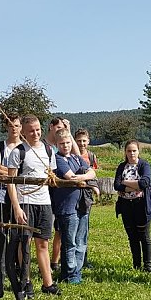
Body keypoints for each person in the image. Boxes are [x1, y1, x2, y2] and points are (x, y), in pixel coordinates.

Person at [7, 114, 61, 296]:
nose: (35, 133)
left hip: (44, 203)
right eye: (31, 131)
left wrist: (52, 179)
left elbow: (51, 174)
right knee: (25, 243)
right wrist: (16, 207)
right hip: (26, 202)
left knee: (43, 243)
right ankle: (26, 281)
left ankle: (48, 283)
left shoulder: (48, 150)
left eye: (38, 129)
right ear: (23, 131)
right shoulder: (18, 152)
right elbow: (10, 182)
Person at [51, 130, 96, 284]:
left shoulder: (77, 158)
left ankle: (77, 273)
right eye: (62, 143)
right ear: (57, 144)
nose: (66, 146)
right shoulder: (57, 159)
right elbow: (69, 176)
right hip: (67, 206)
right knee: (69, 242)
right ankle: (69, 274)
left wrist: (82, 177)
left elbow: (92, 173)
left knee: (81, 241)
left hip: (82, 205)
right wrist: (83, 178)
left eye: (68, 142)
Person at [113, 140, 151, 272]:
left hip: (141, 205)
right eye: (129, 151)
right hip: (126, 205)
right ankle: (136, 264)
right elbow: (116, 185)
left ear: (138, 151)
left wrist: (125, 182)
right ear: (125, 152)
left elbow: (145, 183)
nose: (131, 153)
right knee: (132, 236)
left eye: (134, 150)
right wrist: (135, 186)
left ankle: (147, 266)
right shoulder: (122, 167)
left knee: (144, 236)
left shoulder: (144, 165)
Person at [46, 117, 80, 272]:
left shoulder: (64, 144)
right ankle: (46, 262)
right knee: (45, 232)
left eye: (63, 127)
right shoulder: (45, 145)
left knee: (60, 231)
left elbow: (78, 156)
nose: (61, 130)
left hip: (60, 196)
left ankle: (55, 262)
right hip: (47, 193)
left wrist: (69, 132)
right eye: (59, 127)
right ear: (51, 127)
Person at [0, 113, 22, 222]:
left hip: (19, 197)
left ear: (21, 127)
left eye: (16, 125)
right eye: (11, 125)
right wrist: (15, 172)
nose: (14, 128)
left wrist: (6, 170)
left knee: (17, 232)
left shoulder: (25, 148)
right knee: (0, 231)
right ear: (6, 127)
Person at [75, 128, 98, 269]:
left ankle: (83, 259)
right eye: (79, 141)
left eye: (84, 141)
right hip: (73, 193)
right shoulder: (71, 154)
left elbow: (94, 174)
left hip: (86, 195)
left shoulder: (91, 156)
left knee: (84, 228)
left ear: (88, 141)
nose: (81, 143)